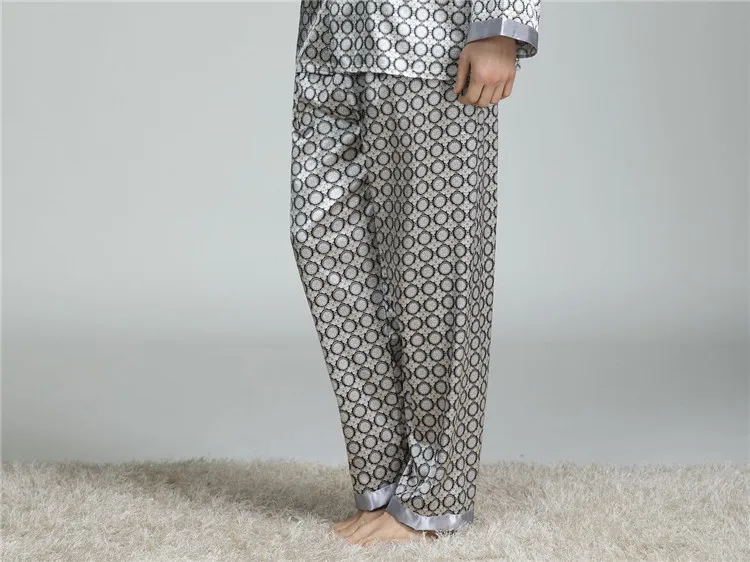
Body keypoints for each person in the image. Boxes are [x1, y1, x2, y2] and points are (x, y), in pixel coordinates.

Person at [288, 0, 541, 546]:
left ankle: (434, 499)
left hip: (431, 42)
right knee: (324, 242)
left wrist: (502, 28)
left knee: (436, 271)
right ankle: (382, 480)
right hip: (331, 37)